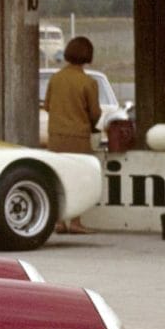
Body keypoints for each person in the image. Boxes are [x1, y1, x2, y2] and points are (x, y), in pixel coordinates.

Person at [44, 35, 99, 234]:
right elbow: (95, 113)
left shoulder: (56, 78)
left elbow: (48, 105)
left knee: (58, 179)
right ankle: (75, 222)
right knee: (79, 179)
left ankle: (58, 221)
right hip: (78, 136)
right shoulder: (88, 82)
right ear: (88, 56)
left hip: (56, 136)